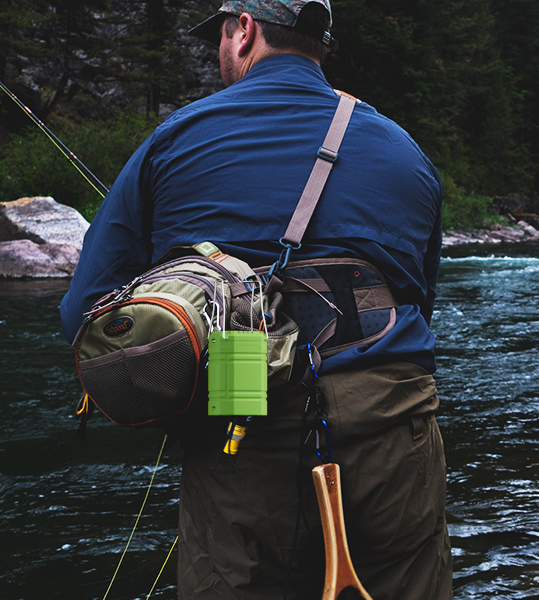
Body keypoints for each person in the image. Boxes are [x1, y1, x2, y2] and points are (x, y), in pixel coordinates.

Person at [57, 0, 451, 598]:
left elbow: (83, 312)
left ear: (243, 31)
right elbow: (421, 302)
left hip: (242, 410)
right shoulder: (404, 152)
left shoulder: (175, 139)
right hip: (393, 423)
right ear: (318, 43)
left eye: (220, 33)